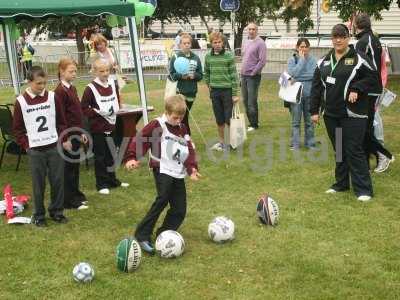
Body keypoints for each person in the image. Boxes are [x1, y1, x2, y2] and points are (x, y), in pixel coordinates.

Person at [310, 24, 381, 202]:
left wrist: (357, 88)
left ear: (348, 38)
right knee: (340, 151)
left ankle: (364, 189)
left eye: (342, 36)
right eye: (335, 36)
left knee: (354, 149)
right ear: (332, 38)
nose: (338, 40)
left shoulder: (359, 58)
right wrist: (314, 111)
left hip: (353, 115)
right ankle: (341, 184)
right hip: (331, 115)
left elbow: (374, 79)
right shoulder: (324, 61)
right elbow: (316, 88)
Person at [124, 95, 200, 254]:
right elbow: (141, 140)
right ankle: (142, 235)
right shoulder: (157, 125)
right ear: (167, 112)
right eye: (175, 117)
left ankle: (164, 234)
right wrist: (132, 157)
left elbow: (188, 150)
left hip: (177, 172)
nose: (178, 120)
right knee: (162, 198)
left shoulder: (182, 128)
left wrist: (192, 168)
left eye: (181, 117)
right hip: (162, 168)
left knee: (180, 208)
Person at [12, 66, 69, 226]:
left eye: (44, 83)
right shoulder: (21, 102)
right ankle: (39, 215)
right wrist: (27, 145)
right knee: (39, 184)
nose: (42, 86)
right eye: (38, 83)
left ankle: (57, 212)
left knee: (57, 181)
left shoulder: (52, 97)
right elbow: (17, 129)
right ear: (29, 82)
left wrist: (60, 138)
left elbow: (62, 121)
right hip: (35, 150)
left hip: (53, 147)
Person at [354, 13, 395, 173]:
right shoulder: (374, 39)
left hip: (367, 90)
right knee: (366, 127)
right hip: (374, 88)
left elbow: (361, 68)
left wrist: (356, 87)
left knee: (364, 128)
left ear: (357, 25)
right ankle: (367, 161)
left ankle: (383, 155)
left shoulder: (362, 42)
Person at [81, 58, 129, 195]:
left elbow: (116, 99)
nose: (105, 73)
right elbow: (84, 108)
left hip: (112, 125)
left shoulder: (112, 84)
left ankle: (112, 180)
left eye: (107, 70)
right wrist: (97, 112)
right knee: (100, 156)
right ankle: (101, 183)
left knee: (111, 155)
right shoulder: (90, 88)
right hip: (98, 128)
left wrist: (116, 107)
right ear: (95, 72)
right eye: (102, 71)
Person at [54, 58, 88, 210]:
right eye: (71, 71)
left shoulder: (72, 89)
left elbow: (77, 113)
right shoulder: (60, 92)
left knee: (75, 166)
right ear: (61, 71)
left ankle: (75, 194)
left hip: (76, 134)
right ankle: (68, 199)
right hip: (68, 136)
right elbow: (60, 117)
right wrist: (65, 138)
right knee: (68, 169)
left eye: (75, 71)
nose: (74, 74)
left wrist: (81, 132)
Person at [204, 31, 239, 151]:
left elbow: (234, 76)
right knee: (219, 119)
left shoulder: (229, 55)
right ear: (211, 44)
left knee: (229, 118)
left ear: (223, 43)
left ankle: (232, 142)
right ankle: (222, 142)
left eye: (219, 42)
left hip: (227, 91)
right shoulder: (208, 56)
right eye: (215, 42)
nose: (217, 44)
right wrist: (209, 85)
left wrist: (234, 94)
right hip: (214, 91)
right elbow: (206, 72)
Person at [169, 33, 203, 136]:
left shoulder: (195, 58)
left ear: (191, 44)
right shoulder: (175, 57)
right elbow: (171, 75)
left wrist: (194, 76)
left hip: (191, 92)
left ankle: (183, 137)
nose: (187, 45)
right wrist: (181, 76)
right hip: (179, 92)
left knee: (184, 116)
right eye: (184, 43)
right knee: (182, 116)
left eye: (188, 43)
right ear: (180, 45)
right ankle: (186, 138)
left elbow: (201, 75)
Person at [287, 38, 317, 150]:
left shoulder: (314, 60)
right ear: (297, 47)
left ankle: (310, 144)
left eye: (305, 47)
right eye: (301, 47)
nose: (303, 49)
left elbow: (313, 75)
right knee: (296, 121)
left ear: (309, 48)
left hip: (309, 95)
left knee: (309, 121)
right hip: (295, 96)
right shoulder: (292, 60)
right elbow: (292, 73)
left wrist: (297, 78)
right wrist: (302, 61)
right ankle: (295, 144)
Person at [240, 22, 267, 132]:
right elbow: (244, 57)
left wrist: (253, 72)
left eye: (253, 29)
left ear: (257, 30)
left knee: (251, 101)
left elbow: (262, 61)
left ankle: (254, 124)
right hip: (243, 75)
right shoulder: (246, 41)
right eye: (249, 29)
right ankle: (252, 121)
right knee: (245, 100)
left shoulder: (260, 43)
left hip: (253, 77)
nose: (251, 31)